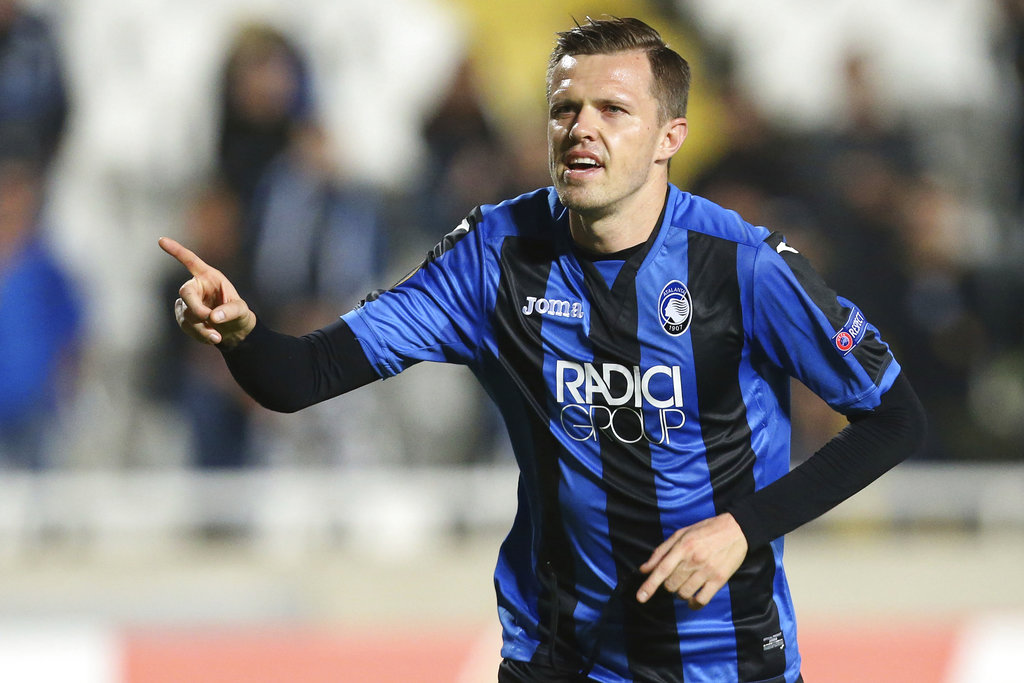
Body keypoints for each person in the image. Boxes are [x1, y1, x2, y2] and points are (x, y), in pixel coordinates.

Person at [160, 17, 926, 683]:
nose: (581, 127)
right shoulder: (495, 255)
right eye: (565, 108)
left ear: (670, 138)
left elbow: (895, 418)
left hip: (722, 658)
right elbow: (302, 376)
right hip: (557, 657)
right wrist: (243, 334)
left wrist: (742, 527)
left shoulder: (741, 265)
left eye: (612, 109)